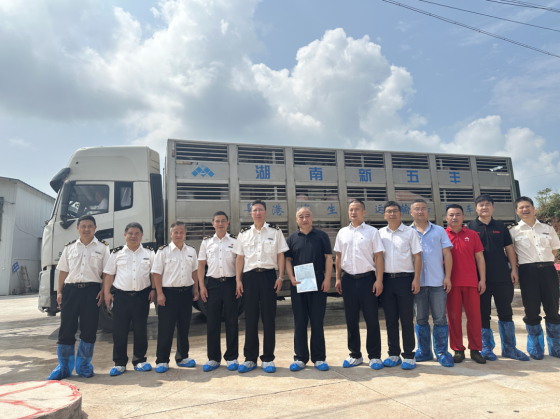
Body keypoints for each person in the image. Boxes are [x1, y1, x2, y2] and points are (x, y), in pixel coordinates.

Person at [467, 195, 529, 361]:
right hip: (480, 279)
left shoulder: (501, 226)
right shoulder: (470, 227)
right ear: (476, 208)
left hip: (502, 276)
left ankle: (509, 348)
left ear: (493, 207)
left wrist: (514, 269)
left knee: (505, 312)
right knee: (483, 313)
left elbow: (509, 249)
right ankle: (486, 348)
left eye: (488, 204)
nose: (484, 207)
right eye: (481, 205)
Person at [47, 215, 109, 380]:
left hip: (92, 291)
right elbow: (63, 271)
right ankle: (64, 367)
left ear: (95, 228)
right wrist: (59, 292)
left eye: (90, 226)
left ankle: (84, 366)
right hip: (71, 291)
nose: (86, 229)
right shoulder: (69, 248)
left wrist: (103, 290)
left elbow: (107, 273)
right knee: (67, 328)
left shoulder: (103, 248)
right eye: (83, 226)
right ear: (78, 228)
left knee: (89, 329)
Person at [233, 200, 289, 373]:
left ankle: (268, 358)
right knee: (250, 318)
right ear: (251, 213)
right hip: (249, 278)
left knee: (268, 318)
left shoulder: (275, 231)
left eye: (260, 210)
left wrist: (280, 277)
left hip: (268, 277)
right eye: (255, 210)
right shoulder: (244, 234)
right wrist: (238, 280)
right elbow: (240, 258)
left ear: (265, 212)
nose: (257, 213)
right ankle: (250, 358)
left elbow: (281, 255)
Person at [334, 199, 385, 370]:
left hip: (367, 280)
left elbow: (378, 257)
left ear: (364, 212)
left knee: (372, 319)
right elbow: (338, 257)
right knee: (351, 319)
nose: (353, 212)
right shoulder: (342, 232)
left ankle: (375, 356)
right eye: (351, 210)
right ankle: (355, 354)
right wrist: (338, 278)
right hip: (348, 280)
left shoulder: (372, 232)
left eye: (357, 209)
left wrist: (379, 280)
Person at [509, 196, 560, 360]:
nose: (525, 210)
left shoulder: (547, 228)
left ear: (533, 208)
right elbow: (512, 254)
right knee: (531, 310)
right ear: (517, 211)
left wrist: (545, 262)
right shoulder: (513, 231)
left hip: (548, 270)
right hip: (527, 272)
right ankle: (536, 347)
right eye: (521, 207)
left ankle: (556, 347)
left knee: (553, 308)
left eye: (528, 206)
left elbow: (554, 250)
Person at [103, 222, 156, 376]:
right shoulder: (116, 253)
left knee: (140, 329)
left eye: (137, 233)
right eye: (130, 233)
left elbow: (154, 273)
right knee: (119, 331)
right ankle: (119, 363)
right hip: (121, 297)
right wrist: (107, 293)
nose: (134, 236)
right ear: (125, 235)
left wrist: (153, 289)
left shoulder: (149, 253)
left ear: (142, 235)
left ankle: (140, 360)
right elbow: (109, 274)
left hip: (142, 296)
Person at [285, 207, 333, 372]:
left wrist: (327, 279)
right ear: (296, 219)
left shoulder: (321, 236)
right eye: (301, 216)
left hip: (318, 282)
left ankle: (319, 358)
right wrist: (291, 277)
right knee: (300, 321)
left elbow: (328, 258)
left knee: (317, 321)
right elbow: (287, 260)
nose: (304, 219)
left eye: (307, 216)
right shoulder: (292, 238)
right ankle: (300, 358)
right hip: (299, 283)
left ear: (312, 218)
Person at [409, 199, 454, 367]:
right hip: (417, 283)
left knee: (440, 318)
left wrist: (447, 277)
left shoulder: (439, 231)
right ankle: (424, 351)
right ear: (411, 212)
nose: (420, 211)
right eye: (417, 209)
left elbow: (447, 254)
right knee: (420, 319)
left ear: (428, 211)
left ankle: (442, 352)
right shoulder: (407, 232)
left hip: (437, 282)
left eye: (423, 208)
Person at [151, 221, 200, 373]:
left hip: (185, 293)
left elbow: (194, 271)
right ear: (171, 234)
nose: (178, 235)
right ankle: (162, 360)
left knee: (184, 327)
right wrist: (159, 293)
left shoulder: (191, 251)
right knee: (166, 328)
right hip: (168, 294)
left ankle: (182, 357)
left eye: (181, 232)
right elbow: (156, 273)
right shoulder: (163, 251)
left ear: (185, 234)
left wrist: (196, 289)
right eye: (176, 232)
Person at [379, 201, 422, 370]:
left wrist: (416, 279)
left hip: (405, 280)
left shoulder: (410, 233)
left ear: (400, 213)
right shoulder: (380, 234)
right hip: (387, 280)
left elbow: (417, 257)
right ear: (384, 215)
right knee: (390, 319)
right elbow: (377, 258)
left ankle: (409, 355)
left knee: (406, 319)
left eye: (395, 211)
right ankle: (393, 354)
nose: (392, 214)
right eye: (388, 211)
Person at [197, 211, 240, 372]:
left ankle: (232, 357)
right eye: (217, 221)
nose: (220, 223)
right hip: (212, 285)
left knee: (231, 321)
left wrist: (239, 282)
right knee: (212, 322)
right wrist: (202, 286)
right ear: (212, 223)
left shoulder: (235, 241)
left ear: (227, 223)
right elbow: (201, 265)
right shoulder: (207, 242)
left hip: (230, 284)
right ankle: (213, 358)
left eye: (223, 221)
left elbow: (239, 263)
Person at [445, 204, 487, 364]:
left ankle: (475, 349)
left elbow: (480, 258)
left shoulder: (472, 235)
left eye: (458, 214)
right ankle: (458, 349)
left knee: (474, 317)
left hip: (471, 283)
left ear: (463, 217)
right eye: (451, 215)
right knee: (454, 318)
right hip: (451, 284)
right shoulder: (442, 235)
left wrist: (482, 279)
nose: (454, 217)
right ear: (446, 217)